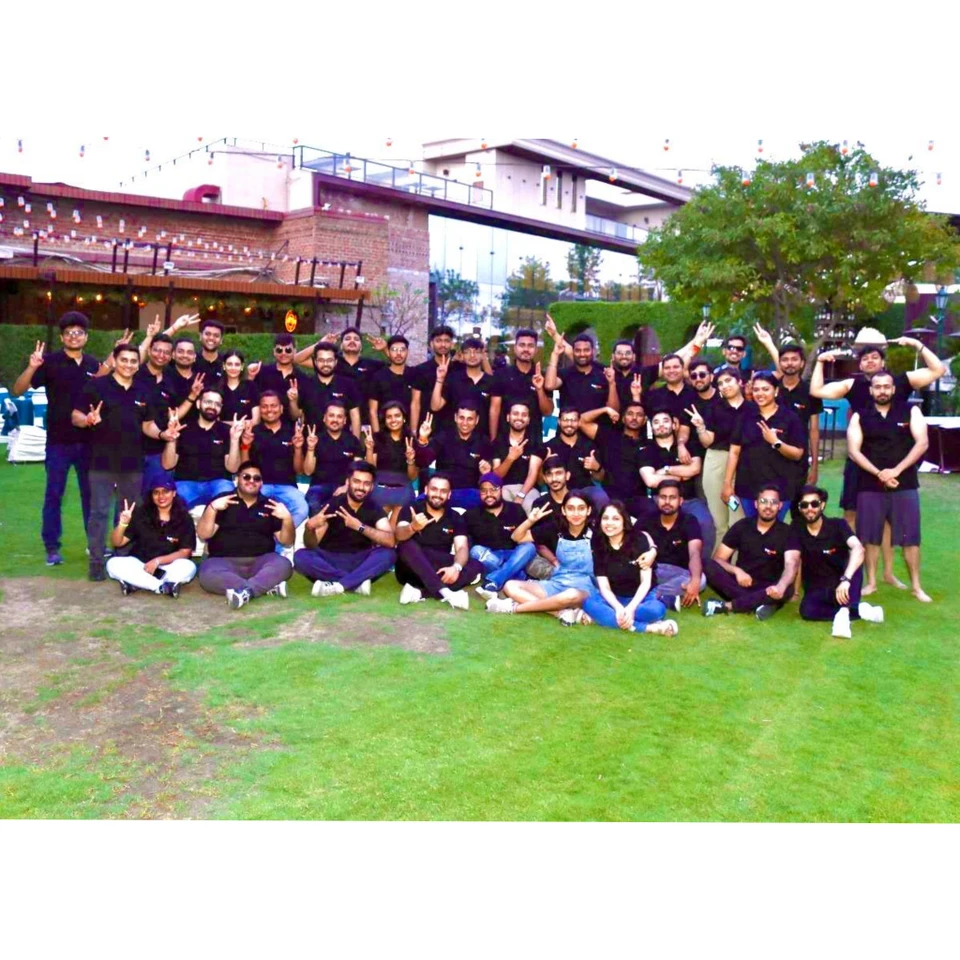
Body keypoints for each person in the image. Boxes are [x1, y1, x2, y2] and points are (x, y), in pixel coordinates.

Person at [811, 338, 945, 587]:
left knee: (889, 520)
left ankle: (888, 573)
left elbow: (938, 370)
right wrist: (819, 362)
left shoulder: (902, 381)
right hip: (861, 462)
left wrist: (917, 345)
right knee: (852, 515)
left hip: (897, 463)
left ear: (883, 363)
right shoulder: (853, 385)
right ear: (860, 365)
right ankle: (852, 570)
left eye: (875, 357)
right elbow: (817, 391)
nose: (870, 361)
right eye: (865, 359)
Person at [72, 344, 172, 581]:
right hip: (101, 462)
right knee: (99, 512)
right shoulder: (97, 386)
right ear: (115, 361)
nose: (128, 364)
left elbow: (148, 425)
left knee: (130, 513)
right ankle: (96, 562)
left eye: (133, 361)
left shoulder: (143, 390)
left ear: (138, 364)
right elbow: (75, 416)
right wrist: (87, 419)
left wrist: (163, 434)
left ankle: (124, 557)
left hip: (132, 463)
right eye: (124, 360)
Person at [11, 311, 100, 565]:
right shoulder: (49, 362)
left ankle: (94, 544)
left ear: (86, 337)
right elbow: (18, 390)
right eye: (69, 333)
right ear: (62, 337)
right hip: (58, 442)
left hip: (89, 442)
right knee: (54, 495)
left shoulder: (94, 365)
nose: (74, 336)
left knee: (91, 496)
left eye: (79, 332)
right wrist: (32, 366)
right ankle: (52, 547)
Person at [847, 371, 931, 602]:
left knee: (910, 537)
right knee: (869, 536)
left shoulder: (911, 411)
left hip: (905, 484)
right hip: (869, 485)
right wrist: (879, 474)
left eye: (886, 386)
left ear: (893, 389)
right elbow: (853, 451)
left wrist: (896, 471)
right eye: (878, 387)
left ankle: (916, 586)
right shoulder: (860, 416)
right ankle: (871, 583)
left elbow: (922, 443)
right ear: (871, 390)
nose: (882, 390)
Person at [485, 491, 595, 623]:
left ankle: (513, 608)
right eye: (571, 508)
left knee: (571, 594)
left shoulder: (597, 534)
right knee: (510, 586)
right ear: (563, 510)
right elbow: (517, 537)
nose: (576, 513)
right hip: (557, 583)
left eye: (581, 508)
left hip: (584, 590)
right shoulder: (556, 528)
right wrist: (530, 521)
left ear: (588, 510)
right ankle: (561, 612)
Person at [196, 462, 294, 608]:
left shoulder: (270, 505)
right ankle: (263, 587)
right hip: (223, 560)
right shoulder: (221, 501)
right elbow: (203, 534)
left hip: (261, 561)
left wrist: (287, 518)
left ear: (261, 483)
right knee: (207, 574)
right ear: (237, 479)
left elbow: (287, 541)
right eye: (246, 477)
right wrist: (212, 508)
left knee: (284, 565)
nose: (251, 481)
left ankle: (246, 591)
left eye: (256, 478)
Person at [294, 461, 397, 597]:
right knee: (301, 556)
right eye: (357, 481)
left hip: (360, 561)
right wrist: (309, 528)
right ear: (348, 482)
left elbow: (390, 541)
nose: (361, 487)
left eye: (366, 483)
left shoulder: (374, 507)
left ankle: (338, 584)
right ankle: (355, 583)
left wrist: (359, 527)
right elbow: (311, 544)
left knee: (388, 554)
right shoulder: (333, 504)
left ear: (372, 487)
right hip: (330, 560)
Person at [794, 485, 883, 637]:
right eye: (804, 505)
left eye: (814, 504)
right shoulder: (797, 529)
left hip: (843, 582)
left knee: (855, 561)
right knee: (807, 611)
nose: (810, 509)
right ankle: (859, 610)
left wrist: (845, 579)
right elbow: (793, 559)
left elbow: (858, 548)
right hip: (818, 587)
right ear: (799, 508)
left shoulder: (838, 525)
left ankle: (843, 615)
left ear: (822, 505)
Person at [704, 483, 800, 620]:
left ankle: (727, 606)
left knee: (787, 587)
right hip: (741, 583)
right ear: (756, 504)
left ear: (780, 506)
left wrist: (781, 586)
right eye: (763, 501)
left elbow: (792, 565)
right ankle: (763, 604)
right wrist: (737, 571)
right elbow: (718, 559)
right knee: (706, 563)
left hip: (768, 587)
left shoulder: (788, 532)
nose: (768, 506)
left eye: (773, 502)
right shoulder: (742, 526)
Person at [581, 501, 677, 635]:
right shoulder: (598, 543)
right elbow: (604, 586)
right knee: (588, 603)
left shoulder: (639, 540)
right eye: (605, 518)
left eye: (615, 519)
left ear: (624, 521)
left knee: (656, 610)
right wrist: (618, 608)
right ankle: (651, 628)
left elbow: (645, 582)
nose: (609, 523)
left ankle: (603, 618)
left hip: (641, 597)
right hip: (614, 597)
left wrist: (630, 608)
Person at [722, 372, 806, 521]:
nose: (760, 394)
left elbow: (798, 454)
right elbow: (734, 451)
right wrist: (727, 483)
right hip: (748, 487)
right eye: (756, 390)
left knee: (774, 529)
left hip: (780, 488)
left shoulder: (790, 418)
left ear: (776, 391)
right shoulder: (745, 416)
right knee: (751, 528)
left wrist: (776, 442)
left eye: (765, 389)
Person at [393, 473, 484, 609]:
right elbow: (399, 536)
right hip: (411, 568)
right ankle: (446, 593)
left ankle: (420, 593)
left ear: (449, 494)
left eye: (443, 491)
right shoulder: (412, 508)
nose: (438, 494)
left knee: (476, 565)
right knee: (405, 545)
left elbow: (462, 548)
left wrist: (456, 568)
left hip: (438, 568)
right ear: (426, 490)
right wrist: (412, 527)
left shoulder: (455, 516)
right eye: (434, 489)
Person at [638, 408, 715, 556]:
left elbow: (694, 470)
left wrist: (665, 470)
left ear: (674, 425)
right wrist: (681, 475)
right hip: (660, 501)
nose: (661, 425)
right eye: (656, 422)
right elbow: (650, 480)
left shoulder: (689, 446)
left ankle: (703, 564)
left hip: (689, 500)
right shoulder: (646, 451)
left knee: (705, 523)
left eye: (665, 421)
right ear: (651, 427)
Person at [754, 328, 822, 490]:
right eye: (785, 360)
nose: (789, 363)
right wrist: (768, 343)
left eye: (794, 359)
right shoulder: (770, 389)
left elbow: (814, 430)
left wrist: (814, 466)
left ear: (802, 363)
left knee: (795, 502)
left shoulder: (811, 392)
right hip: (767, 457)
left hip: (797, 458)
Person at [106, 479, 197, 598]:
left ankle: (137, 583)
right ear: (151, 495)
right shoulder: (141, 514)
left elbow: (185, 552)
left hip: (168, 566)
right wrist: (123, 523)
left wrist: (158, 561)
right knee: (113, 564)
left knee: (188, 566)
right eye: (156, 492)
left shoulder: (184, 518)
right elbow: (118, 542)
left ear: (174, 493)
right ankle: (161, 587)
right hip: (141, 565)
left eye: (165, 492)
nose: (161, 496)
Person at [692, 365, 751, 543]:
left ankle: (737, 558)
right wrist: (701, 428)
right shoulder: (714, 408)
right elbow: (707, 441)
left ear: (739, 382)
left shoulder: (752, 409)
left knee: (737, 519)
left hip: (744, 464)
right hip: (716, 461)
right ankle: (718, 560)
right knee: (719, 522)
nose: (725, 386)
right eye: (720, 383)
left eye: (728, 381)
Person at [160, 389, 243, 508]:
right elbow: (167, 465)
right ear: (198, 404)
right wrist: (171, 439)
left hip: (218, 482)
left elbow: (233, 468)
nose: (212, 407)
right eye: (208, 402)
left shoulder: (227, 431)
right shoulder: (183, 429)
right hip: (186, 483)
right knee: (177, 501)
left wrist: (235, 439)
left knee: (227, 495)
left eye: (217, 404)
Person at [239, 391, 309, 530]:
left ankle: (278, 536)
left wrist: (298, 448)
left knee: (302, 509)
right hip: (259, 485)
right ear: (260, 410)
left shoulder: (293, 433)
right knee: (243, 509)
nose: (269, 410)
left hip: (287, 487)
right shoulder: (252, 432)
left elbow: (299, 470)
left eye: (273, 405)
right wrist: (245, 445)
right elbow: (244, 468)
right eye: (265, 406)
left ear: (281, 409)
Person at [466, 473, 538, 598]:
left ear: (501, 490)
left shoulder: (516, 509)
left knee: (529, 547)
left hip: (514, 555)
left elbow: (525, 538)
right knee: (475, 551)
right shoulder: (471, 514)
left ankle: (494, 580)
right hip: (489, 557)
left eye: (493, 489)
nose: (488, 494)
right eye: (484, 491)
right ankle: (520, 578)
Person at [578, 398, 648, 519]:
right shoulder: (609, 436)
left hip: (637, 499)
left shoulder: (649, 444)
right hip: (609, 496)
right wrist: (605, 409)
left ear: (645, 420)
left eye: (639, 415)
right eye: (630, 414)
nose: (634, 418)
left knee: (653, 509)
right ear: (623, 418)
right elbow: (580, 421)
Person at [415, 404, 492, 510]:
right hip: (442, 491)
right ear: (455, 417)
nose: (465, 423)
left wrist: (486, 474)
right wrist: (423, 438)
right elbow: (423, 462)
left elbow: (488, 479)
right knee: (417, 503)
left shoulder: (483, 441)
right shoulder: (443, 436)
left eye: (470, 419)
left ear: (477, 420)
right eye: (461, 418)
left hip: (470, 493)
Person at [646, 479, 706, 612]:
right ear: (657, 499)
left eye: (672, 497)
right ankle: (661, 597)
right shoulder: (646, 519)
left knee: (701, 580)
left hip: (677, 573)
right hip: (650, 569)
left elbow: (695, 553)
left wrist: (695, 581)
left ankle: (649, 596)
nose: (667, 502)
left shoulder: (689, 521)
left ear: (681, 500)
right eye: (663, 497)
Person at [488, 328, 553, 442]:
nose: (526, 349)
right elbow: (495, 409)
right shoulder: (501, 375)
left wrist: (539, 389)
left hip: (533, 441)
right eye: (522, 345)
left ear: (536, 349)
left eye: (530, 346)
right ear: (515, 348)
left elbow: (548, 412)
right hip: (505, 441)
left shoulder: (542, 376)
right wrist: (493, 440)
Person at [301, 400, 365, 515]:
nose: (335, 420)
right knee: (313, 503)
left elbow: (359, 471)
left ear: (345, 420)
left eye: (339, 417)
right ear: (324, 418)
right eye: (331, 416)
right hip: (319, 488)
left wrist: (347, 486)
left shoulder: (352, 441)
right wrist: (310, 448)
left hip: (344, 488)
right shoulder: (315, 439)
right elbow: (308, 471)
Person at [366, 400, 424, 514]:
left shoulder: (412, 441)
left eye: (397, 416)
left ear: (404, 418)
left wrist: (410, 460)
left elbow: (412, 477)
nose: (393, 420)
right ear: (384, 420)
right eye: (389, 417)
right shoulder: (376, 438)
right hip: (380, 487)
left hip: (403, 488)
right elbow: (370, 469)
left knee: (401, 514)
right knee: (380, 515)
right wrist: (369, 449)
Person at [431, 337, 494, 437]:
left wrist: (493, 439)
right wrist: (439, 379)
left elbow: (494, 413)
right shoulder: (453, 379)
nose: (472, 355)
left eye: (476, 352)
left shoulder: (491, 382)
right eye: (467, 352)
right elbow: (435, 406)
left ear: (483, 355)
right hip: (454, 438)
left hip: (481, 439)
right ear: (462, 355)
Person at [297, 342, 362, 438]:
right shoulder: (305, 384)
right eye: (321, 360)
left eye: (329, 360)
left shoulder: (348, 384)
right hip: (311, 441)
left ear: (336, 361)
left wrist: (355, 443)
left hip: (342, 443)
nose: (325, 364)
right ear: (315, 362)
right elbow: (298, 415)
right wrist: (293, 401)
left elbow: (355, 416)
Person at [544, 333, 618, 416]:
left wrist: (612, 383)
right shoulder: (565, 373)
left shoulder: (603, 374)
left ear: (593, 351)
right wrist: (555, 355)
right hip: (569, 423)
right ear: (573, 351)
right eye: (578, 350)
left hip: (596, 424)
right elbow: (549, 386)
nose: (582, 354)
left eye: (586, 350)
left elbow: (614, 410)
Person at [490, 400, 545, 510]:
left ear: (528, 420)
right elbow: (496, 476)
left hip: (528, 490)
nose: (519, 417)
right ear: (508, 417)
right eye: (515, 414)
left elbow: (532, 473)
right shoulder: (498, 442)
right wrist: (510, 458)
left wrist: (521, 496)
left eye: (524, 415)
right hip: (503, 488)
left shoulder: (535, 443)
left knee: (530, 506)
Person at [409, 325, 464, 432]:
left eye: (446, 341)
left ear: (452, 344)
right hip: (428, 429)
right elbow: (415, 403)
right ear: (431, 344)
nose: (443, 345)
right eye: (438, 341)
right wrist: (414, 431)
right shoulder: (420, 370)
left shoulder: (460, 369)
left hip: (455, 430)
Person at [247, 333, 308, 422]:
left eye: (288, 350)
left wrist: (293, 401)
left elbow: (297, 416)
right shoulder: (262, 372)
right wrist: (250, 376)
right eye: (279, 350)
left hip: (289, 428)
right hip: (262, 427)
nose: (283, 353)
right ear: (274, 352)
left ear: (295, 351)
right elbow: (248, 398)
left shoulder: (302, 378)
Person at [369, 335, 415, 433]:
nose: (398, 353)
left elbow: (416, 404)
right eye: (394, 350)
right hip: (384, 431)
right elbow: (373, 411)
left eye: (402, 350)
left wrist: (413, 433)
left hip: (407, 432)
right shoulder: (378, 376)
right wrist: (378, 436)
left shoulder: (414, 374)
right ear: (388, 352)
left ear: (407, 352)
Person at [217, 349, 260, 426]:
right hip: (222, 432)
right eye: (229, 364)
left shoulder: (251, 387)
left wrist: (230, 424)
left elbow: (256, 420)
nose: (233, 368)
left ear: (242, 366)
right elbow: (215, 421)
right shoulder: (217, 388)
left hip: (248, 432)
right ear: (224, 366)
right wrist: (238, 424)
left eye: (237, 364)